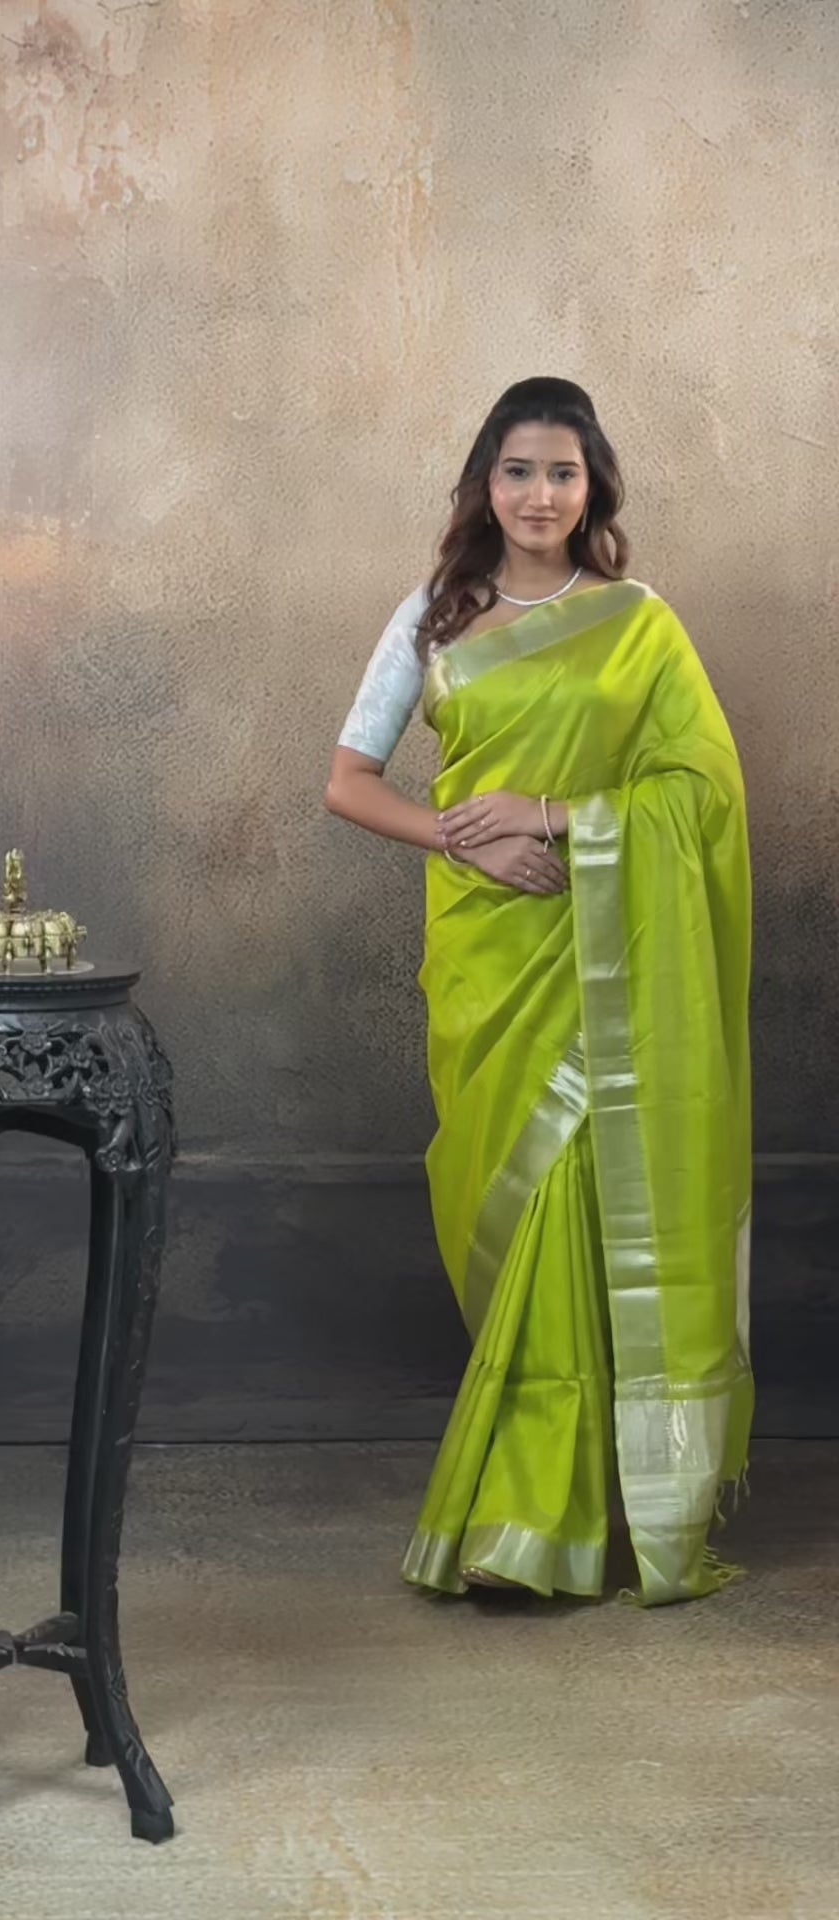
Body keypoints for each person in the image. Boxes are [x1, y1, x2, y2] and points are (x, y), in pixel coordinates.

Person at [325, 377, 753, 1606]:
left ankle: (532, 1522)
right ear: (484, 483)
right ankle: (545, 1499)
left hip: (609, 949)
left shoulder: (638, 623)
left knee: (581, 1205)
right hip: (488, 957)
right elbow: (349, 782)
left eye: (563, 472)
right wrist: (461, 840)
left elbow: (704, 790)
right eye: (518, 470)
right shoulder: (431, 619)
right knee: (513, 1218)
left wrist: (557, 815)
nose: (539, 495)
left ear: (593, 488)